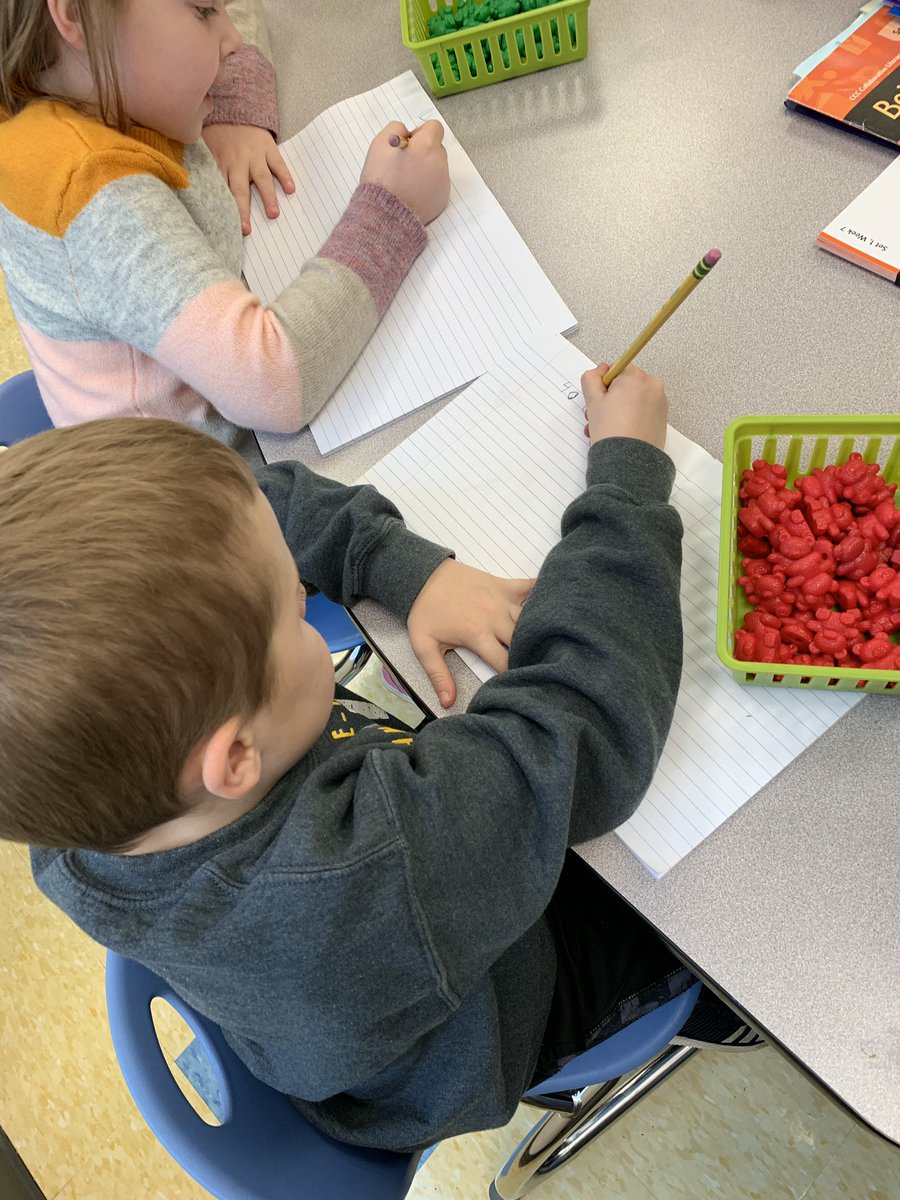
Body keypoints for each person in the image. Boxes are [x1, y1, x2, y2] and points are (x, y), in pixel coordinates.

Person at [0, 362, 761, 1154]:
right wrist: (629, 481)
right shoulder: (379, 866)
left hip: (338, 1006)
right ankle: (721, 1008)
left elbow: (251, 508)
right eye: (287, 614)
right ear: (234, 758)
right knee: (702, 908)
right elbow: (585, 722)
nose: (303, 599)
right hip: (505, 1012)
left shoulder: (71, 809)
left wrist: (407, 567)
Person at [0, 0, 450, 460]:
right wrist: (392, 210)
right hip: (193, 498)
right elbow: (272, 384)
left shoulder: (97, 90)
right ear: (75, 14)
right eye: (203, 10)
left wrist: (228, 106)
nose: (234, 39)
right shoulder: (92, 195)